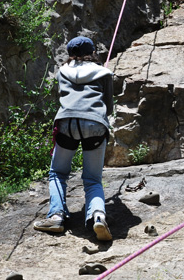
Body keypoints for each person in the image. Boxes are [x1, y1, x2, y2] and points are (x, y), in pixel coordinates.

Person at [34, 36, 114, 240]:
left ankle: (56, 216)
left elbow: (62, 96)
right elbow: (109, 106)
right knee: (93, 178)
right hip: (95, 122)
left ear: (70, 54)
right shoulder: (104, 73)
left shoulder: (63, 72)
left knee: (58, 173)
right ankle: (97, 216)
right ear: (93, 52)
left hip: (67, 122)